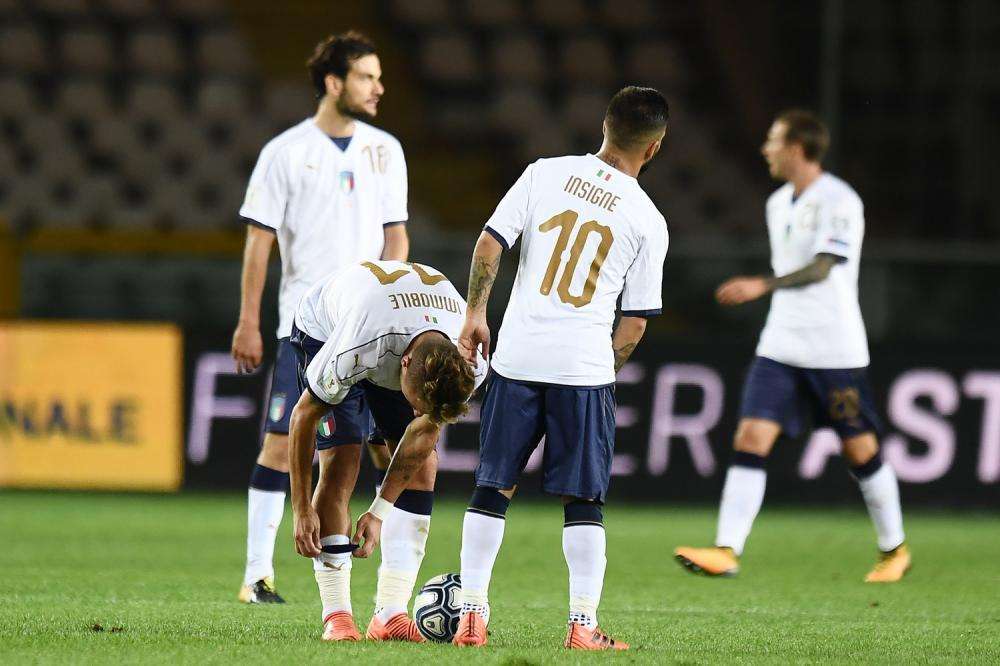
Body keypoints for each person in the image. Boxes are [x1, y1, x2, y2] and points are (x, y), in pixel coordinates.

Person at [451, 86, 670, 651]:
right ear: (655, 147)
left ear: (604, 125)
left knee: (491, 487)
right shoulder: (648, 219)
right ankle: (581, 626)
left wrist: (476, 312)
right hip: (582, 370)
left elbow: (490, 243)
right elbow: (636, 322)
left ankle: (471, 616)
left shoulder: (543, 173)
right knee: (584, 500)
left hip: (518, 357)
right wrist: (604, 365)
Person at [674, 109, 910, 583]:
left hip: (833, 348)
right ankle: (726, 549)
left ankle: (894, 550)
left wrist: (762, 285)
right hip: (780, 345)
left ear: (798, 148)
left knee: (859, 449)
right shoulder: (778, 202)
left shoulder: (840, 200)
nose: (766, 149)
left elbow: (825, 266)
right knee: (750, 438)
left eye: (773, 141)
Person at [232, 31, 408, 604]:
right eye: (366, 77)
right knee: (283, 445)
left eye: (379, 77)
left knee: (388, 446)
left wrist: (381, 298)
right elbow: (259, 242)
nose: (379, 88)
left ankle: (391, 586)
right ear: (334, 83)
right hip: (304, 327)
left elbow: (396, 237)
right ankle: (257, 575)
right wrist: (249, 321)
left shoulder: (386, 150)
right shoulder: (284, 153)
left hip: (369, 330)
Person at [287, 260, 487, 642]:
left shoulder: (470, 357)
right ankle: (338, 615)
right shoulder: (357, 346)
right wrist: (300, 509)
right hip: (328, 329)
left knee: (424, 466)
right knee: (342, 461)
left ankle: (391, 614)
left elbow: (424, 430)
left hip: (400, 329)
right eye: (416, 404)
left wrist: (379, 512)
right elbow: (302, 418)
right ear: (405, 366)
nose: (417, 415)